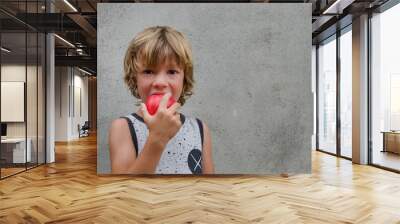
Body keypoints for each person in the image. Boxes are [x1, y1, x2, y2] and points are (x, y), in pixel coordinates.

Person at [109, 26, 214, 174]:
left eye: (172, 71)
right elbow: (123, 189)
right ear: (135, 78)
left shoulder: (200, 128)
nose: (160, 82)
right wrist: (157, 138)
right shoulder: (122, 127)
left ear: (184, 79)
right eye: (148, 71)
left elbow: (208, 186)